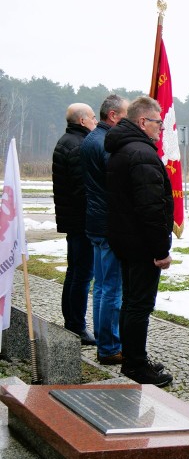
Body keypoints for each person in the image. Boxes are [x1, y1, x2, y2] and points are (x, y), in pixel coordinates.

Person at [104, 96, 174, 387]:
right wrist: (160, 250)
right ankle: (135, 365)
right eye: (158, 122)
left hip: (125, 240)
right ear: (143, 121)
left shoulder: (122, 149)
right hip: (142, 245)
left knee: (131, 302)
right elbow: (151, 207)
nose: (161, 128)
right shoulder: (140, 153)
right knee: (139, 305)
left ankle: (134, 358)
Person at [80, 94, 129, 365]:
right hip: (109, 224)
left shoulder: (91, 139)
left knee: (101, 286)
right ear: (113, 115)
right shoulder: (106, 143)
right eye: (125, 116)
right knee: (111, 288)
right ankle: (110, 346)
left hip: (96, 222)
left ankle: (104, 339)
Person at [52, 103, 98, 345]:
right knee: (82, 274)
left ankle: (71, 321)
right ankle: (77, 326)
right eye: (92, 117)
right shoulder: (80, 146)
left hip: (72, 219)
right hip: (81, 221)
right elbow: (83, 190)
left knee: (74, 272)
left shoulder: (66, 140)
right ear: (82, 121)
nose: (95, 121)